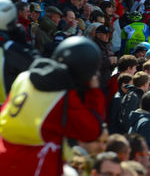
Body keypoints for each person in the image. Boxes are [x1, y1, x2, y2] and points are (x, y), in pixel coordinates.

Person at [0, 36, 105, 175]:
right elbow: (91, 131)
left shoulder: (24, 77)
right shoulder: (63, 95)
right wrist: (94, 91)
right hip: (33, 166)